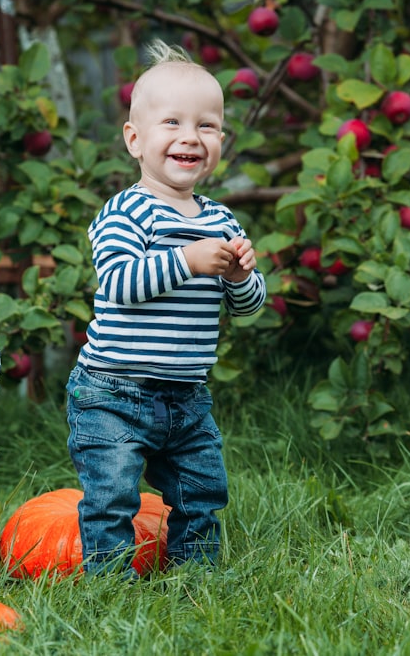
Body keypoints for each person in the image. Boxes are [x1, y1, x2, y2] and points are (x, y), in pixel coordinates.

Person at [65, 40, 267, 576]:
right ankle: (107, 582)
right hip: (113, 391)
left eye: (206, 126)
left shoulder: (222, 221)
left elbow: (245, 307)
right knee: (112, 497)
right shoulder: (126, 212)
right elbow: (119, 282)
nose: (189, 137)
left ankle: (196, 578)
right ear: (135, 139)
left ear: (220, 141)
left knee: (203, 491)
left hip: (186, 395)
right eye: (172, 123)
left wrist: (242, 276)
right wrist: (187, 260)